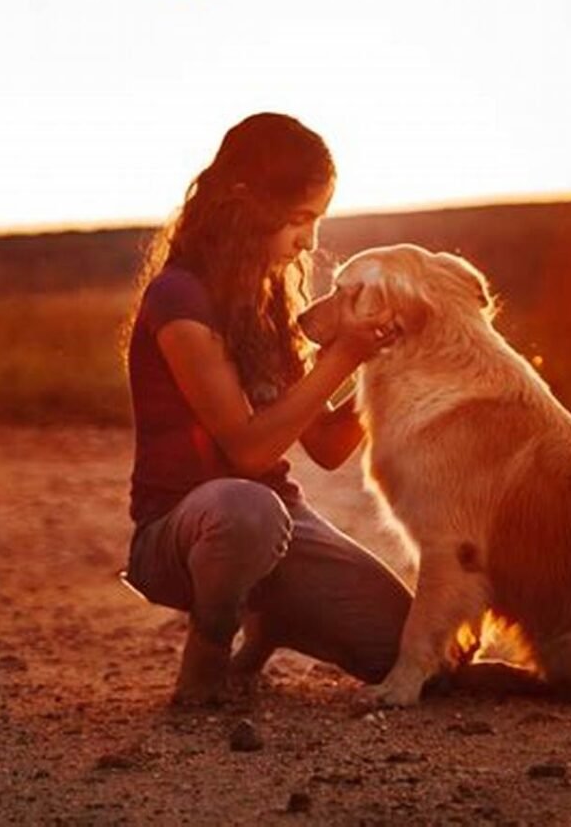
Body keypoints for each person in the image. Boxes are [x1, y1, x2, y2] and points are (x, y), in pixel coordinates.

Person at [124, 112, 412, 705]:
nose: (309, 242)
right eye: (299, 220)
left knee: (404, 651)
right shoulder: (179, 298)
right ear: (243, 203)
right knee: (246, 509)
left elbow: (329, 446)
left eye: (317, 221)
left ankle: (273, 617)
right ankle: (207, 656)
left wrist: (386, 355)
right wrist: (344, 357)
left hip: (279, 526)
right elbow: (249, 447)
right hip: (184, 530)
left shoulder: (268, 303)